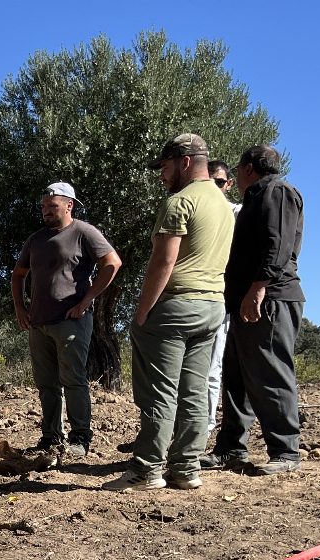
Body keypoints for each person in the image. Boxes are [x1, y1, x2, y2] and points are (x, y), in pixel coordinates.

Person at [107, 134, 234, 493]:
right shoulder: (223, 204)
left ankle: (146, 470)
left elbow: (164, 261)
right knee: (195, 391)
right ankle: (186, 468)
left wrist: (142, 311)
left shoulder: (180, 202)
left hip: (175, 307)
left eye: (164, 167)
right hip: (212, 306)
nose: (161, 176)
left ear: (184, 161)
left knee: (159, 393)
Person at [204, 144, 306, 476]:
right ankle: (230, 449)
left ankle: (286, 451)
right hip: (246, 300)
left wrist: (258, 288)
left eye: (237, 168)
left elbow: (278, 245)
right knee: (236, 377)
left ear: (248, 168)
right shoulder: (256, 198)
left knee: (271, 373)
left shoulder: (278, 192)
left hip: (270, 299)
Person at [10, 182, 121, 462]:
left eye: (52, 206)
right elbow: (18, 274)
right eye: (43, 207)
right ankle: (51, 437)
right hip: (38, 323)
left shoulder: (83, 232)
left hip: (71, 321)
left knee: (73, 379)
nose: (46, 211)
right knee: (46, 384)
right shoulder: (35, 240)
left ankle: (80, 438)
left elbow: (112, 263)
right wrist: (20, 308)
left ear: (69, 205)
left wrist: (87, 300)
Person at [202, 161, 243, 433]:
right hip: (195, 297)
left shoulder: (237, 213)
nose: (213, 187)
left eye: (218, 182)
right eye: (208, 181)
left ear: (229, 184)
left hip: (222, 298)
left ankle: (204, 426)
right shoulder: (194, 209)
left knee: (212, 367)